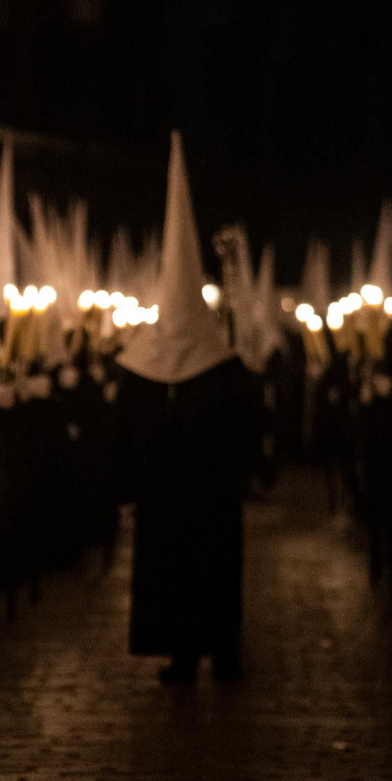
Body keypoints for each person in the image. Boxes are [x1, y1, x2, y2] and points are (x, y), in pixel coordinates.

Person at [115, 132, 253, 685]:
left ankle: (216, 648)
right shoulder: (148, 368)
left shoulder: (222, 367)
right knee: (176, 573)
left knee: (210, 570)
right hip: (172, 493)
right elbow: (127, 426)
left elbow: (241, 425)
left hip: (203, 492)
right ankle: (184, 650)